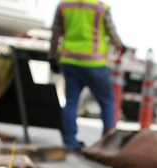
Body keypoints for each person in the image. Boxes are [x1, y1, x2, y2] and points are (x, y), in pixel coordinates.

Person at [48, 0, 125, 150]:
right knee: (107, 102)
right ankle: (106, 144)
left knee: (71, 101)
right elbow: (112, 34)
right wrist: (120, 46)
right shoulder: (100, 7)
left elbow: (56, 33)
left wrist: (52, 56)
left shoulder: (64, 5)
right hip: (94, 63)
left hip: (70, 60)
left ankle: (70, 142)